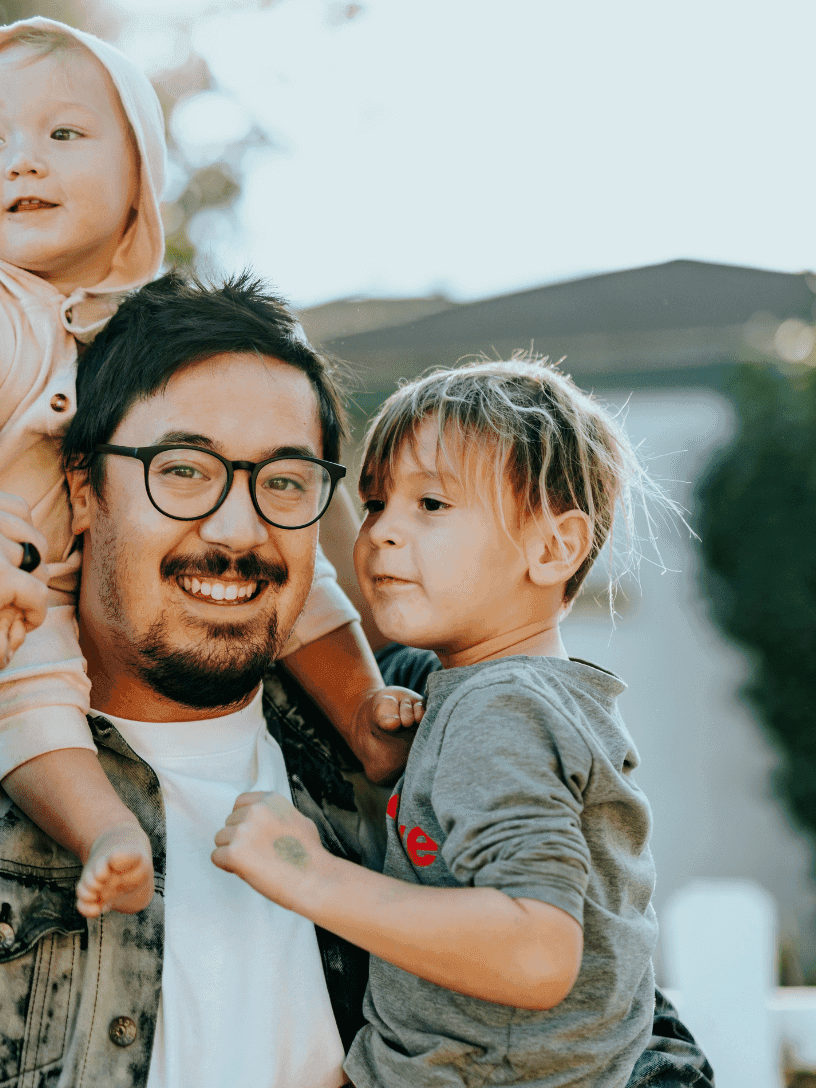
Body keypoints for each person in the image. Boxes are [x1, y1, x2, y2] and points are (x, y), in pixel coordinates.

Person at [0, 274, 713, 1088]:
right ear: (83, 491)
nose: (235, 526)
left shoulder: (411, 728)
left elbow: (617, 1018)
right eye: (181, 471)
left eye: (284, 481)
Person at [0, 16, 419, 921]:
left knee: (296, 564)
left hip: (72, 568)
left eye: (62, 134)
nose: (21, 161)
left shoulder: (151, 326)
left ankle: (365, 717)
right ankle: (103, 829)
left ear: (140, 173)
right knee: (24, 694)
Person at [214, 358, 665, 1087]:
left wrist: (307, 875)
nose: (382, 533)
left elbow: (538, 951)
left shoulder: (500, 710)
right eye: (374, 504)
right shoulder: (505, 697)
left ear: (554, 547)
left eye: (430, 505)